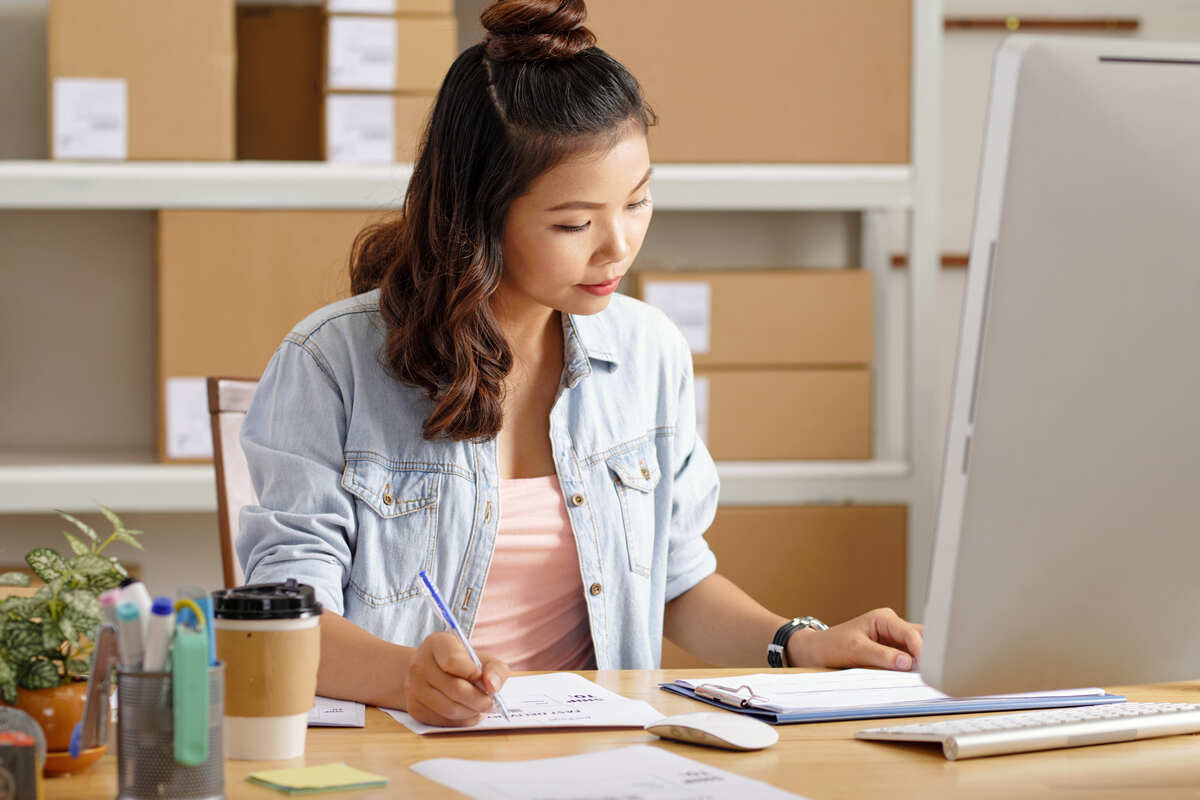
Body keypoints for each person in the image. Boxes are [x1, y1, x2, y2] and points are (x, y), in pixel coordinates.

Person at [238, 0, 923, 727]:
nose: (618, 246)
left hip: (596, 750)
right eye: (574, 223)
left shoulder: (647, 352)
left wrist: (802, 645)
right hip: (398, 751)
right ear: (477, 216)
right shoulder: (330, 362)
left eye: (637, 201)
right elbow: (286, 616)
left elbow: (673, 579)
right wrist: (410, 677)